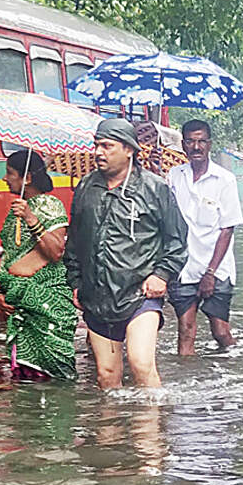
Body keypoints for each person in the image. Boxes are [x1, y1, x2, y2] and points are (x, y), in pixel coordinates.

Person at [64, 118, 188, 389]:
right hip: (97, 295)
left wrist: (161, 275)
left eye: (107, 146)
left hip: (139, 295)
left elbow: (177, 240)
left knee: (141, 364)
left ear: (129, 149)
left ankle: (150, 431)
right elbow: (73, 241)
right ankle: (110, 431)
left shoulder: (155, 188)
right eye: (96, 145)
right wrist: (75, 282)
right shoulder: (86, 188)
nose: (98, 152)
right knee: (107, 376)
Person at [0, 150, 77, 381]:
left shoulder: (50, 206)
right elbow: (9, 256)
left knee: (55, 380)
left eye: (10, 173)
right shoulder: (15, 212)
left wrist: (31, 219)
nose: (5, 178)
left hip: (47, 307)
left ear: (27, 178)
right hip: (20, 309)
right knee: (24, 381)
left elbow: (55, 251)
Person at [166, 120, 243, 355]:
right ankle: (189, 385)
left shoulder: (225, 180)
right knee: (186, 332)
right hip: (184, 268)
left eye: (201, 141)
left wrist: (210, 273)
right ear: (183, 145)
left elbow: (227, 229)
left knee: (220, 332)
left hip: (217, 269)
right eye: (190, 141)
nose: (196, 147)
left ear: (209, 145)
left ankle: (231, 372)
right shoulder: (173, 176)